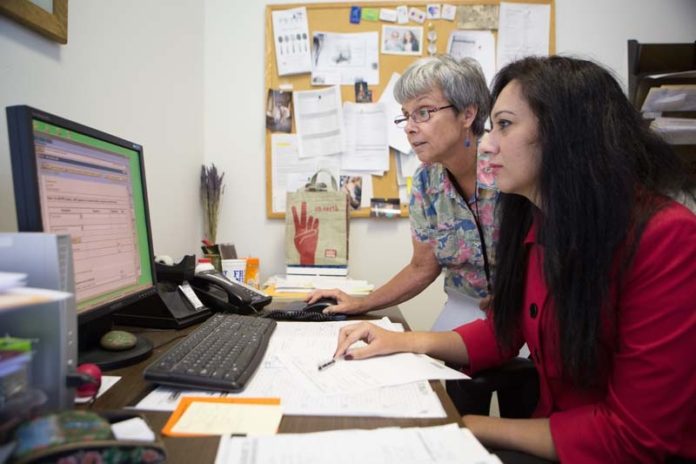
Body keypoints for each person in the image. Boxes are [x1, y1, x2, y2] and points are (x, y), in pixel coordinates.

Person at [332, 56, 696, 462]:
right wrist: (401, 340)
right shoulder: (539, 220)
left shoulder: (666, 236)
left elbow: (635, 436)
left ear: (566, 133)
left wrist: (466, 425)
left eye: (503, 124)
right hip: (564, 430)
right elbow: (504, 330)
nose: (488, 143)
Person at [309, 55, 496, 329]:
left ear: (467, 114)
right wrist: (360, 303)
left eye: (423, 112)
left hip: (527, 312)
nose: (409, 127)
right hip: (462, 307)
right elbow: (423, 267)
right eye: (406, 115)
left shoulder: (507, 167)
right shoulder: (425, 181)